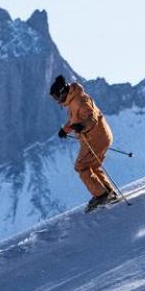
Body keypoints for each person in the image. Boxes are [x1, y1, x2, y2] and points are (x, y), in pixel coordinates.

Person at [49, 75, 119, 211]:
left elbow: (91, 118)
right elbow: (75, 119)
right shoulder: (74, 100)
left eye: (57, 97)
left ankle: (102, 195)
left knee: (81, 166)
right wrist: (65, 130)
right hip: (98, 137)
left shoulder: (80, 100)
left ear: (63, 91)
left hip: (95, 138)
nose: (57, 101)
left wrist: (82, 126)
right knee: (93, 166)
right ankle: (108, 192)